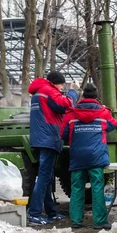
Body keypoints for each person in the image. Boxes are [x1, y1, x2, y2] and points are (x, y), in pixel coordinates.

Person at [60, 83, 117, 229]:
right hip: (96, 157)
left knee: (77, 187)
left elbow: (63, 134)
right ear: (96, 97)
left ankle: (76, 221)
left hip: (77, 156)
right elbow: (113, 125)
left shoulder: (71, 114)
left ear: (83, 96)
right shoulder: (103, 113)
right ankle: (99, 221)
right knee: (97, 187)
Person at [27, 71, 79, 225]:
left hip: (39, 139)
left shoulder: (38, 93)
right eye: (61, 84)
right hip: (48, 139)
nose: (62, 87)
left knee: (48, 177)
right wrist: (73, 91)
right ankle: (34, 213)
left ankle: (51, 212)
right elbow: (67, 105)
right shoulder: (48, 91)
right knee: (43, 177)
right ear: (56, 83)